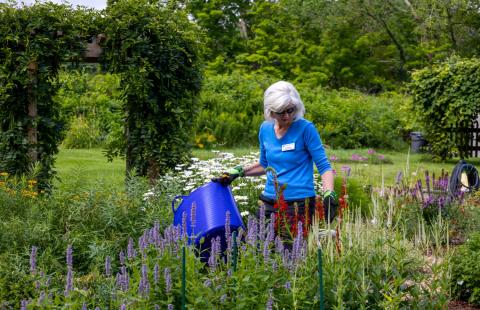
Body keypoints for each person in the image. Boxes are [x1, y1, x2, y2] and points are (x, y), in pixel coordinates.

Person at [213, 81, 338, 232]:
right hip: (269, 200)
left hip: (298, 203)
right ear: (271, 111)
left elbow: (324, 167)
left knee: (291, 251)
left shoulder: (306, 129)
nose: (287, 116)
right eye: (281, 112)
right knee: (260, 247)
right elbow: (265, 164)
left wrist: (329, 193)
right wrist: (238, 172)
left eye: (291, 110)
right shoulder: (265, 129)